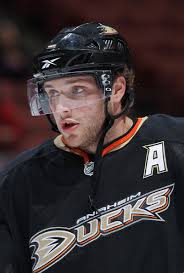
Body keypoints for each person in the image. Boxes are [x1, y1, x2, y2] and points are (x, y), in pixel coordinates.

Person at [0, 22, 183, 273]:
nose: (61, 108)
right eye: (52, 93)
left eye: (77, 90)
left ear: (117, 89)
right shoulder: (15, 183)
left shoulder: (175, 143)